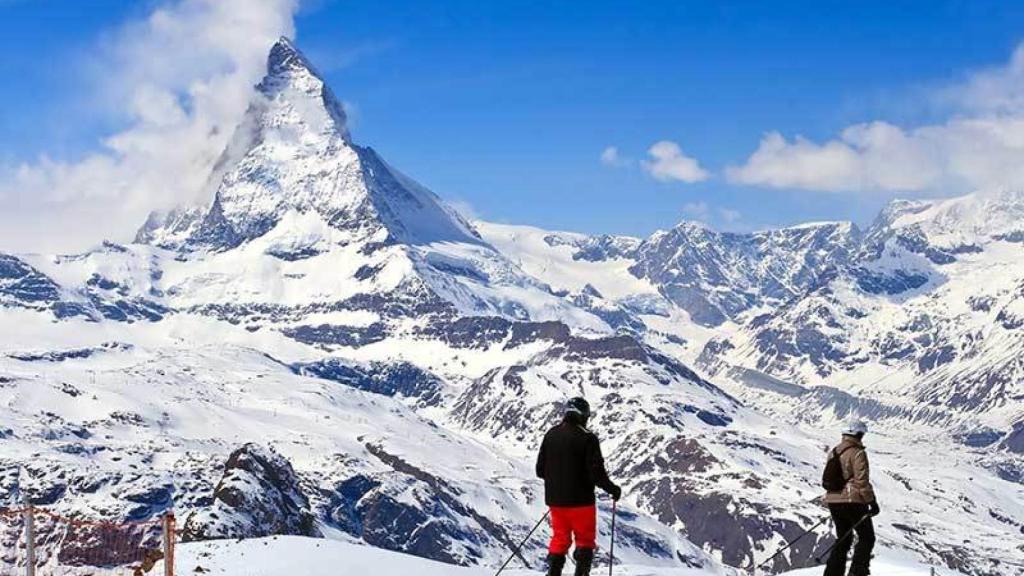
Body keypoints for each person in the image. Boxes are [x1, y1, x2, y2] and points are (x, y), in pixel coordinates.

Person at [536, 397, 622, 576]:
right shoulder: (588, 438)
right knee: (585, 541)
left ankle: (553, 573)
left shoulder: (550, 434)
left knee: (559, 539)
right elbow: (596, 474)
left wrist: (559, 482)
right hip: (581, 502)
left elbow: (540, 470)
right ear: (583, 415)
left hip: (556, 501)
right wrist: (613, 490)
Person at [823, 420, 880, 576]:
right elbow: (862, 481)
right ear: (858, 434)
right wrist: (871, 502)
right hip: (852, 500)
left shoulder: (834, 451)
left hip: (833, 500)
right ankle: (858, 572)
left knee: (843, 538)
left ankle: (832, 573)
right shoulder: (857, 452)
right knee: (867, 537)